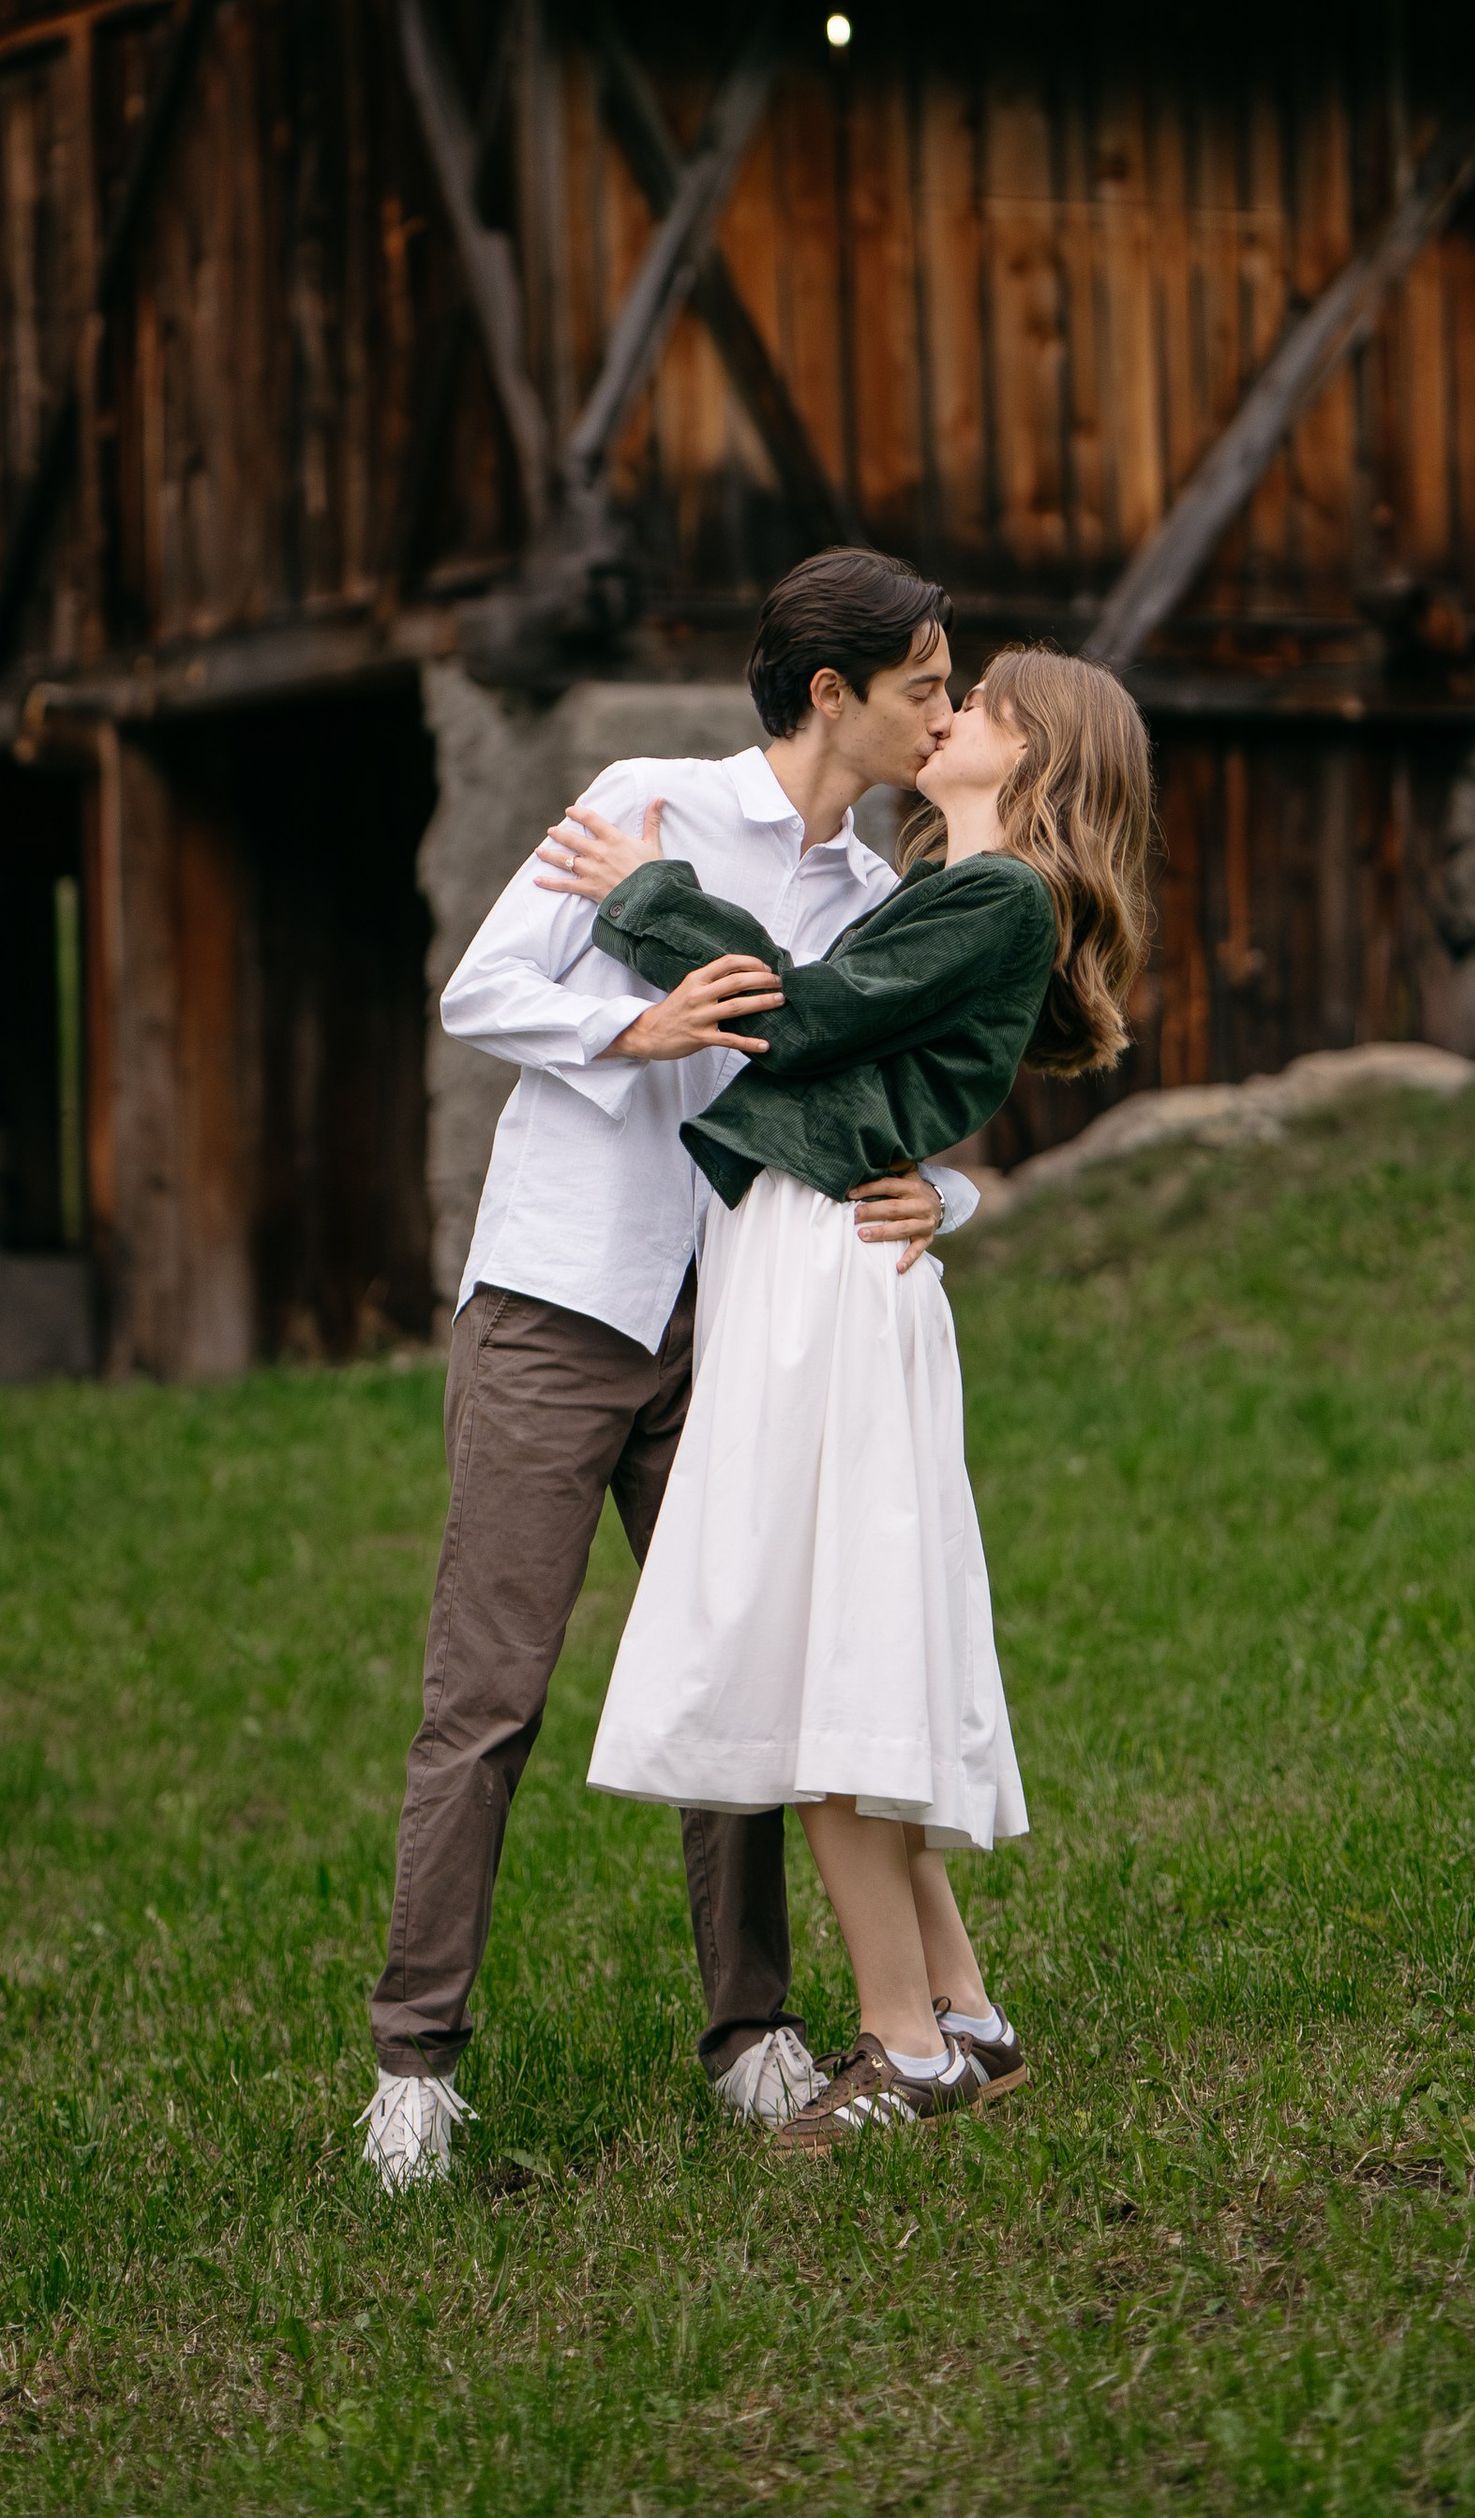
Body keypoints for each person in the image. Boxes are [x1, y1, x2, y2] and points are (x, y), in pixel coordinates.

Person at [361, 550, 990, 2190]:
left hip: (738, 1321)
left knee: (746, 1675)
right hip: (559, 1308)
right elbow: (479, 989)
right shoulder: (647, 806)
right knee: (484, 1699)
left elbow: (881, 1094)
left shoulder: (870, 897)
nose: (948, 710)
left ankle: (753, 2035)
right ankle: (414, 2070)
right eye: (925, 682)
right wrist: (626, 1033)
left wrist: (957, 1192)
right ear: (833, 693)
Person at [538, 644, 1152, 2153]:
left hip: (824, 1273)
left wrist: (641, 896)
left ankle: (901, 2048)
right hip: (810, 1254)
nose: (953, 716)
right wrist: (946, 1188)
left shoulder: (996, 895)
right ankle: (964, 2012)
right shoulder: (965, 894)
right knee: (837, 1639)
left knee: (821, 1665)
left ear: (1036, 760)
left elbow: (804, 1016)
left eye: (986, 707)